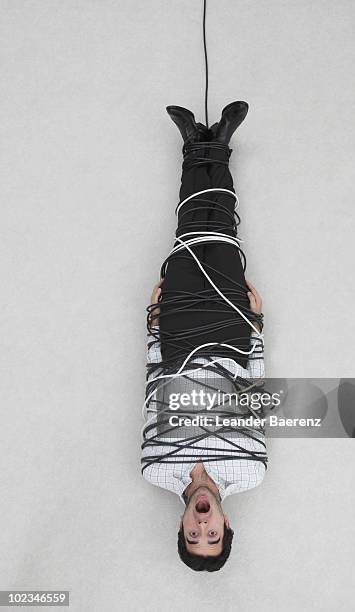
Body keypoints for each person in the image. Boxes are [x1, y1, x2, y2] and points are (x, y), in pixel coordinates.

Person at [141, 101, 267, 571]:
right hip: (231, 339)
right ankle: (220, 145)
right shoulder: (250, 471)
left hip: (177, 338)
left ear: (181, 529)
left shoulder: (156, 469)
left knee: (190, 235)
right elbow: (257, 399)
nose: (202, 527)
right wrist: (256, 328)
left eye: (194, 536)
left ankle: (197, 144)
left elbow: (152, 396)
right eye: (212, 536)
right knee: (224, 244)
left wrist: (154, 326)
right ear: (226, 525)